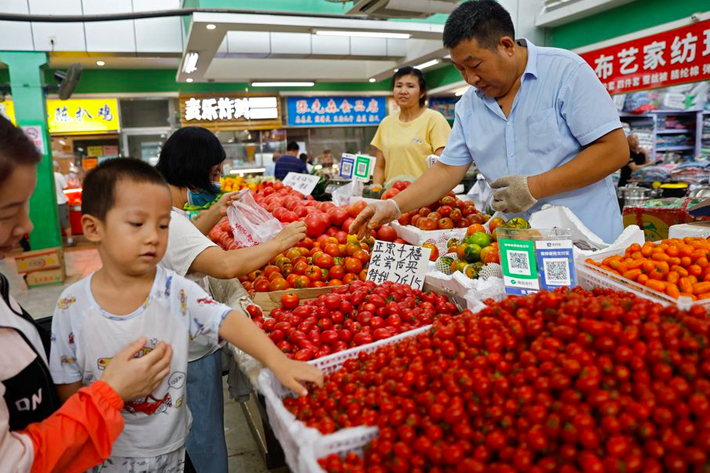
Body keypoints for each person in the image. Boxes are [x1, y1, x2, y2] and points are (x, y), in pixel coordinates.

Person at [48, 158, 323, 473]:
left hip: (173, 452)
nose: (154, 236)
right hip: (105, 454)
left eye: (163, 224)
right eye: (138, 224)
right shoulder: (72, 306)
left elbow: (225, 320)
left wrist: (279, 361)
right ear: (93, 228)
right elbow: (66, 384)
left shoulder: (173, 290)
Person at [351, 0, 629, 244]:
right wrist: (394, 206)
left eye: (475, 65)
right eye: (460, 69)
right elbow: (447, 170)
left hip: (586, 241)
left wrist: (535, 187)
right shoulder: (469, 106)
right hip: (515, 246)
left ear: (506, 45)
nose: (470, 79)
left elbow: (614, 150)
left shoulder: (566, 73)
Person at [0, 114, 174, 473]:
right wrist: (109, 394)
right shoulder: (72, 302)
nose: (28, 226)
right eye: (8, 212)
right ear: (95, 229)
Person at [155, 126, 307, 473]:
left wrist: (218, 211)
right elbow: (224, 265)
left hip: (177, 339)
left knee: (197, 432)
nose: (219, 178)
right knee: (202, 438)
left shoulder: (167, 209)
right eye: (215, 171)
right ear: (194, 168)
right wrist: (280, 242)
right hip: (188, 350)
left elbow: (187, 235)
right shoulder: (168, 220)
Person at [371, 67, 451, 188]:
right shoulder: (386, 123)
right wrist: (376, 189)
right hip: (391, 196)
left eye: (410, 86)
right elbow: (380, 166)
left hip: (424, 197)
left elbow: (443, 165)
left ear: (422, 92)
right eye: (398, 86)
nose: (403, 91)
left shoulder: (434, 119)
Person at [54, 160, 74, 246]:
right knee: (65, 222)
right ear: (57, 168)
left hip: (51, 204)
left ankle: (56, 242)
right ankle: (70, 240)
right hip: (61, 202)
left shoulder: (46, 176)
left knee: (55, 223)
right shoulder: (59, 175)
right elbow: (65, 187)